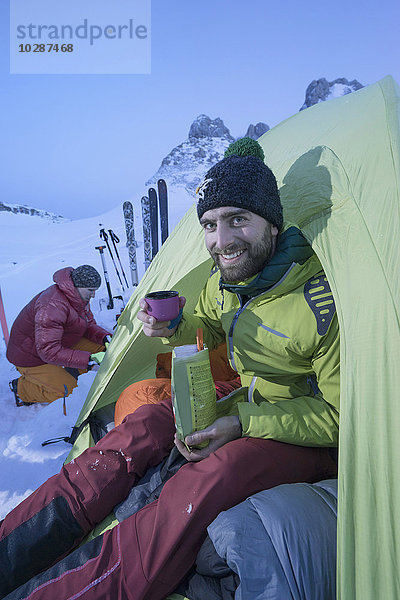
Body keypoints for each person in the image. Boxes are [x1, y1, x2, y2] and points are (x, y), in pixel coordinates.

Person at [0, 140, 339, 600]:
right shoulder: (226, 284)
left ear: (272, 225)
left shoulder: (320, 305)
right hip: (248, 402)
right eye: (210, 225)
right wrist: (174, 325)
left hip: (307, 436)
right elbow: (210, 329)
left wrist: (242, 424)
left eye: (239, 219)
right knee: (144, 425)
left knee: (219, 472)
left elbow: (339, 418)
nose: (222, 241)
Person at [6, 264, 112, 406]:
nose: (94, 295)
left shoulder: (80, 297)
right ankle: (22, 389)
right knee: (70, 392)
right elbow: (47, 351)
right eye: (91, 290)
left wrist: (104, 337)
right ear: (77, 286)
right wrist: (88, 360)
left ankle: (74, 367)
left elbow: (88, 324)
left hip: (58, 342)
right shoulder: (52, 306)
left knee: (103, 347)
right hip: (31, 356)